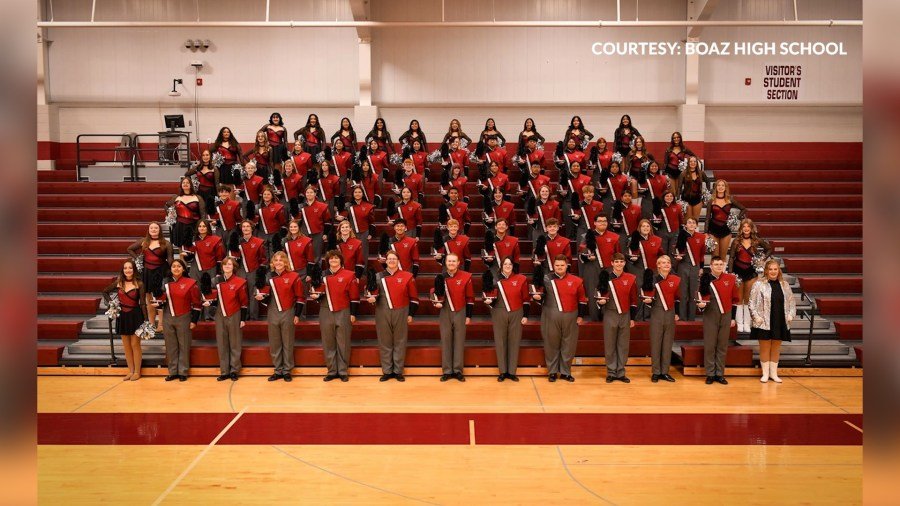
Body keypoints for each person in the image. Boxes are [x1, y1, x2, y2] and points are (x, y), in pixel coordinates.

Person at [367, 250, 419, 381]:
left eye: (394, 259)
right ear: (386, 261)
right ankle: (387, 371)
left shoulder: (407, 276)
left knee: (400, 341)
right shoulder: (378, 276)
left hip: (401, 311)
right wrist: (371, 299)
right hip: (382, 312)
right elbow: (372, 293)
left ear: (398, 261)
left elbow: (414, 298)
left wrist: (411, 314)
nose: (391, 261)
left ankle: (398, 371)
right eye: (389, 259)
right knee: (385, 342)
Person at [533, 255, 587, 382]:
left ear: (567, 265)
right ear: (553, 266)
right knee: (551, 344)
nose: (559, 267)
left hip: (571, 316)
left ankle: (565, 372)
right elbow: (540, 295)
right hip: (550, 315)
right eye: (557, 265)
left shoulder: (577, 280)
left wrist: (581, 316)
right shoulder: (546, 279)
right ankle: (552, 372)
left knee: (569, 345)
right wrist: (537, 299)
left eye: (562, 265)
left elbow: (582, 300)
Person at [309, 250, 360, 382]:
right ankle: (332, 371)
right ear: (328, 261)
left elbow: (354, 297)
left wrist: (353, 313)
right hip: (325, 311)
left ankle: (343, 371)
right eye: (331, 259)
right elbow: (317, 294)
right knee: (328, 342)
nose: (333, 260)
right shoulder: (322, 275)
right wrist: (315, 297)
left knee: (343, 342)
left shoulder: (349, 275)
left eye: (336, 258)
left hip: (343, 311)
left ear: (341, 261)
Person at [255, 251, 305, 382]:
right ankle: (278, 370)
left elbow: (300, 297)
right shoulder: (268, 278)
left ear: (285, 262)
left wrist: (297, 314)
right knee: (275, 342)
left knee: (287, 342)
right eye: (275, 260)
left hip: (288, 312)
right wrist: (260, 298)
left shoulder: (294, 276)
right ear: (272, 263)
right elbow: (266, 298)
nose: (278, 262)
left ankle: (287, 370)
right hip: (272, 312)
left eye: (281, 260)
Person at [152, 259, 200, 382]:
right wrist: (157, 304)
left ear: (183, 269)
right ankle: (172, 371)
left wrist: (194, 321)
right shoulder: (166, 283)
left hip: (184, 317)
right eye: (174, 266)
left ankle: (183, 372)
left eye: (179, 266)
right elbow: (162, 301)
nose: (176, 268)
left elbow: (197, 304)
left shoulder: (191, 283)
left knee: (184, 345)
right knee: (171, 346)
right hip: (168, 318)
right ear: (171, 269)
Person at [482, 256, 529, 381]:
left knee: (514, 341)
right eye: (505, 264)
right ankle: (502, 371)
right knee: (500, 341)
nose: (508, 266)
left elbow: (526, 300)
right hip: (498, 312)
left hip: (517, 313)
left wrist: (525, 315)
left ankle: (512, 372)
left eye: (510, 264)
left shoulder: (521, 279)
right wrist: (487, 302)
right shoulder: (494, 280)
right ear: (501, 266)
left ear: (513, 266)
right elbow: (489, 297)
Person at [749, 260, 796, 384]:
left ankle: (774, 374)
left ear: (778, 270)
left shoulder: (785, 285)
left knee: (776, 348)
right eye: (770, 269)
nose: (773, 271)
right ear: (766, 271)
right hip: (763, 322)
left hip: (779, 320)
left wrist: (791, 314)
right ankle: (765, 374)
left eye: (775, 269)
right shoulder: (758, 284)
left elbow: (792, 302)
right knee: (765, 348)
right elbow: (751, 303)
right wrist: (756, 317)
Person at [101, 259, 146, 381]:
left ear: (134, 269)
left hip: (136, 315)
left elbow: (142, 304)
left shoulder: (139, 284)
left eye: (130, 268)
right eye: (125, 268)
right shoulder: (119, 282)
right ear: (123, 270)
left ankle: (137, 371)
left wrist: (146, 320)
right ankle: (130, 371)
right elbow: (105, 292)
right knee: (126, 346)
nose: (127, 270)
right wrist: (112, 304)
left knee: (135, 344)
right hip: (122, 316)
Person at [697, 256, 740, 385]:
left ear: (724, 266)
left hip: (726, 315)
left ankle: (719, 374)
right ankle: (710, 374)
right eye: (716, 264)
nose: (719, 266)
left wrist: (733, 317)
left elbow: (735, 300)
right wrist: (701, 306)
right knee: (710, 345)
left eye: (721, 264)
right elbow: (701, 298)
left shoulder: (731, 279)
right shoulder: (705, 279)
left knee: (722, 346)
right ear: (711, 266)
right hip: (710, 315)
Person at [431, 253, 474, 382]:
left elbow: (470, 298)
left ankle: (458, 370)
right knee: (446, 341)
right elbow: (436, 296)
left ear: (458, 263)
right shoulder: (440, 278)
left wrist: (468, 316)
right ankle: (447, 371)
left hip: (460, 312)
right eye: (449, 261)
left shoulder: (466, 277)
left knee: (459, 341)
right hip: (445, 312)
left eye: (453, 261)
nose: (451, 263)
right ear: (445, 263)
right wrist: (435, 303)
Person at [597, 253, 638, 382]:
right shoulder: (605, 277)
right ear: (612, 263)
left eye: (621, 261)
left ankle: (620, 372)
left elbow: (634, 300)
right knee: (610, 344)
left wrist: (632, 318)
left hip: (625, 315)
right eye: (617, 261)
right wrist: (600, 302)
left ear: (625, 263)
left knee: (623, 345)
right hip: (610, 313)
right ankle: (611, 372)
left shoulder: (631, 278)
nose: (619, 264)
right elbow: (598, 295)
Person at [127, 222, 173, 332]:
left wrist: (171, 272)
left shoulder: (166, 243)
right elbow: (129, 249)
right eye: (151, 228)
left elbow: (170, 259)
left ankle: (161, 324)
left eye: (156, 228)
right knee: (149, 300)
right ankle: (151, 323)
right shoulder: (144, 241)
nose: (153, 229)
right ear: (148, 230)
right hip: (147, 273)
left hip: (161, 272)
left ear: (159, 230)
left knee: (160, 299)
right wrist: (138, 259)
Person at [728, 218, 773, 333]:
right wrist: (730, 273)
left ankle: (747, 323)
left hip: (751, 273)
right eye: (744, 227)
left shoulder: (756, 240)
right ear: (741, 229)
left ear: (751, 228)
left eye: (748, 226)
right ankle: (739, 323)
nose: (746, 229)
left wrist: (761, 259)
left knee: (748, 299)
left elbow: (769, 249)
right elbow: (731, 258)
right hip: (738, 272)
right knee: (738, 299)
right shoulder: (736, 241)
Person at [642, 255, 681, 382]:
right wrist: (647, 301)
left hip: (670, 314)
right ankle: (656, 372)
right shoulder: (652, 279)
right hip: (657, 313)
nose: (666, 265)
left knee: (667, 344)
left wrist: (677, 313)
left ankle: (665, 372)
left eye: (668, 262)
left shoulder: (676, 279)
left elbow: (678, 297)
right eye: (663, 263)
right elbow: (647, 298)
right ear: (658, 265)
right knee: (656, 343)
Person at [208, 256, 247, 381]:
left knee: (235, 343)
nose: (227, 266)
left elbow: (244, 302)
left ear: (234, 267)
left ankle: (234, 370)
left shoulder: (240, 281)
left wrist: (243, 319)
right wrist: (210, 303)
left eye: (230, 264)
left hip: (235, 314)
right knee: (222, 343)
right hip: (220, 314)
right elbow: (212, 298)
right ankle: (224, 371)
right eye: (225, 264)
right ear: (222, 267)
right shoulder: (216, 281)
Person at [578, 214, 621, 321]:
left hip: (609, 269)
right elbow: (581, 253)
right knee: (593, 295)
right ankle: (595, 320)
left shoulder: (614, 237)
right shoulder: (586, 236)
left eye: (605, 221)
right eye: (600, 221)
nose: (602, 223)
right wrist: (588, 258)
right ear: (595, 223)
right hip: (591, 268)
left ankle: (609, 319)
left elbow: (618, 255)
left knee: (609, 294)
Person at [182, 219, 225, 320]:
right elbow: (189, 258)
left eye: (204, 226)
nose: (202, 228)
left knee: (209, 293)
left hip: (210, 269)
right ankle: (197, 316)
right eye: (200, 226)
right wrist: (185, 256)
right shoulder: (192, 241)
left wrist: (219, 272)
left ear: (208, 228)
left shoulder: (216, 240)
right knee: (195, 292)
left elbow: (220, 258)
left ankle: (209, 316)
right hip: (195, 268)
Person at [230, 219, 267, 320]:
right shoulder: (237, 242)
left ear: (252, 228)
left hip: (254, 270)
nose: (245, 228)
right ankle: (243, 316)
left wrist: (260, 273)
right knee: (242, 294)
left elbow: (263, 259)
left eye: (247, 226)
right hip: (240, 271)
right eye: (243, 227)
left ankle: (253, 317)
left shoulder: (259, 242)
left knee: (253, 294)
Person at [673, 217, 708, 322]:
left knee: (693, 293)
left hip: (695, 266)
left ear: (696, 225)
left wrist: (701, 267)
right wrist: (677, 257)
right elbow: (675, 250)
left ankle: (691, 318)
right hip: (683, 266)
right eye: (689, 222)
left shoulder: (701, 237)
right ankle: (683, 318)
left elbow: (702, 254)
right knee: (683, 293)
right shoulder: (681, 235)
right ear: (686, 225)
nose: (691, 224)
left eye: (693, 223)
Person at [706, 179, 747, 262]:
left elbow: (743, 209)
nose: (720, 187)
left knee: (723, 256)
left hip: (726, 230)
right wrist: (706, 232)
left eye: (722, 185)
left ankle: (723, 274)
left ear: (725, 188)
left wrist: (736, 219)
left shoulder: (730, 199)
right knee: (715, 256)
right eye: (718, 185)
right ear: (716, 187)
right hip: (713, 230)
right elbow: (707, 218)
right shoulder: (711, 201)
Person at [165, 176, 206, 251]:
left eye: (187, 182)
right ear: (181, 185)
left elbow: (203, 213)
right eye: (183, 183)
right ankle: (182, 262)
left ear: (191, 185)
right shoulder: (176, 197)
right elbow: (166, 206)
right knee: (181, 249)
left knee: (195, 247)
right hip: (179, 226)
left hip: (194, 225)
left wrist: (202, 225)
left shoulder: (198, 197)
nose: (185, 184)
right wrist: (170, 214)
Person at [338, 186, 375, 267]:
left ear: (363, 194)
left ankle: (363, 275)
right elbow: (344, 216)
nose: (357, 194)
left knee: (363, 254)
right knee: (350, 254)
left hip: (364, 233)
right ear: (352, 194)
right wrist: (341, 217)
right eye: (355, 192)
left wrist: (370, 234)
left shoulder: (369, 206)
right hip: (350, 233)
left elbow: (372, 222)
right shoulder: (348, 205)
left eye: (359, 192)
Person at [297, 185, 331, 259]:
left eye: (311, 192)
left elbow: (328, 222)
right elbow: (298, 221)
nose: (309, 194)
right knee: (304, 254)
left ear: (315, 194)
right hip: (304, 233)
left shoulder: (323, 206)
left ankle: (316, 270)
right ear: (305, 194)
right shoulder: (301, 207)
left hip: (318, 233)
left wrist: (325, 233)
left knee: (316, 255)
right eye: (307, 192)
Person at [255, 185, 288, 258]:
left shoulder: (279, 207)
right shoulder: (257, 208)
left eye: (268, 194)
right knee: (263, 255)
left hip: (274, 234)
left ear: (272, 196)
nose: (266, 196)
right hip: (261, 234)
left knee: (274, 255)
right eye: (265, 194)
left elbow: (282, 222)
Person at [675, 155, 708, 225]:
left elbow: (707, 181)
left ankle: (696, 235)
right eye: (691, 161)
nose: (693, 163)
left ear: (697, 163)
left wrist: (706, 194)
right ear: (688, 163)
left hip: (697, 200)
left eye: (694, 161)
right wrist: (678, 199)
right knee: (688, 221)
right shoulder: (683, 173)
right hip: (686, 200)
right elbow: (679, 187)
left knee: (695, 221)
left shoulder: (701, 173)